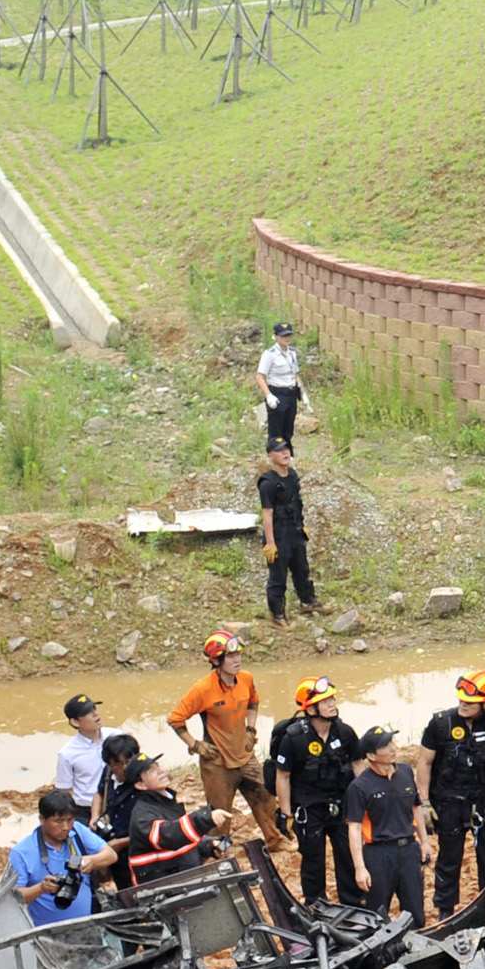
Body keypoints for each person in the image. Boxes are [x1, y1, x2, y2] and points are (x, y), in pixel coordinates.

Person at [169, 630, 281, 847]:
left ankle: (275, 840)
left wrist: (251, 730)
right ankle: (219, 850)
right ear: (216, 660)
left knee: (265, 797)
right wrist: (194, 744)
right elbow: (175, 719)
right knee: (219, 812)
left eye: (238, 654)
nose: (237, 659)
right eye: (230, 656)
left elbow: (253, 703)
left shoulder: (246, 679)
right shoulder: (203, 689)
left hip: (245, 754)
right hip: (217, 761)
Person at [421, 671, 485, 919]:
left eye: (470, 702)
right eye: (461, 699)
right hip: (449, 801)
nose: (463, 703)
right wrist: (424, 802)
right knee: (449, 858)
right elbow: (424, 763)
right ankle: (445, 910)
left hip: (484, 800)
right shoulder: (441, 723)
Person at [269, 677, 359, 904]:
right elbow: (283, 776)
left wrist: (364, 801)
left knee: (347, 853)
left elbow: (358, 765)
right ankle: (316, 902)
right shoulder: (293, 738)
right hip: (309, 808)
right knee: (313, 858)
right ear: (310, 708)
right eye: (325, 701)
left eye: (332, 699)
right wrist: (286, 813)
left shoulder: (345, 732)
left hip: (340, 804)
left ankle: (351, 901)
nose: (332, 704)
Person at [345, 727, 427, 920]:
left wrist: (424, 842)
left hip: (409, 851)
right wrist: (360, 867)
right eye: (385, 746)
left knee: (416, 912)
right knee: (377, 915)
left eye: (392, 742)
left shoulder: (406, 772)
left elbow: (416, 808)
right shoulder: (359, 787)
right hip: (378, 855)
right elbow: (354, 828)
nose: (392, 748)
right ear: (371, 755)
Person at [119, 754, 232, 893]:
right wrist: (205, 819)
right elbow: (168, 836)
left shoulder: (166, 802)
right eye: (151, 771)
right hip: (164, 893)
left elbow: (182, 840)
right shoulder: (142, 814)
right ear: (140, 785)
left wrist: (210, 845)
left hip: (183, 882)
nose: (160, 771)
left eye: (157, 766)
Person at [7, 789, 120, 927]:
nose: (66, 827)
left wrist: (91, 861)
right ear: (42, 819)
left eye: (70, 820)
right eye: (58, 821)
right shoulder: (21, 852)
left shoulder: (77, 831)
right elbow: (13, 899)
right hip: (46, 934)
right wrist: (41, 888)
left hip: (87, 926)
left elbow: (111, 855)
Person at [258, 438, 316, 622]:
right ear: (270, 455)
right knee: (278, 577)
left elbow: (297, 503)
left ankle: (308, 602)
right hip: (278, 535)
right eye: (279, 450)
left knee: (301, 569)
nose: (285, 453)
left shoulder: (292, 475)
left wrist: (301, 525)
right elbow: (267, 514)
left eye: (287, 449)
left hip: (294, 531)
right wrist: (270, 543)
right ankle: (278, 614)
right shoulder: (267, 483)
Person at [54, 694, 109, 815]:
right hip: (85, 810)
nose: (95, 714)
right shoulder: (67, 753)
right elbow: (64, 791)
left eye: (94, 709)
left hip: (116, 804)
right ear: (75, 722)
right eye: (88, 713)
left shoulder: (117, 736)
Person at [256, 321, 303, 450]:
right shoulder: (269, 354)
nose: (286, 338)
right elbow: (260, 376)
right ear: (276, 337)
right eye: (283, 336)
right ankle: (274, 456)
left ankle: (287, 456)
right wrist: (268, 395)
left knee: (288, 428)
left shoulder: (292, 353)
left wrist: (302, 393)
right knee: (276, 430)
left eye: (288, 335)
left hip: (291, 394)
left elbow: (295, 373)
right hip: (277, 394)